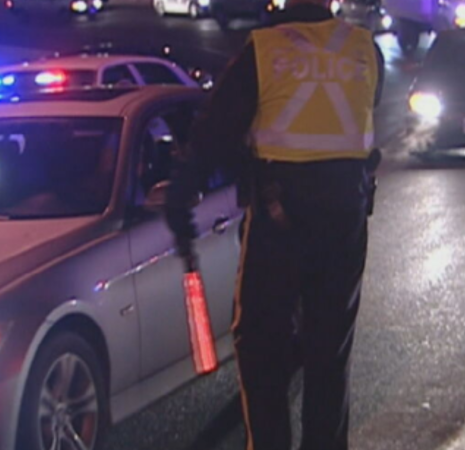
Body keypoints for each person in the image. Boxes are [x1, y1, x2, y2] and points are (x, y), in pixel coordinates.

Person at [164, 1, 384, 449]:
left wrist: (182, 194)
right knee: (329, 352)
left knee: (259, 347)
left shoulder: (263, 51)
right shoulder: (364, 49)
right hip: (345, 219)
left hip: (280, 217)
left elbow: (213, 133)